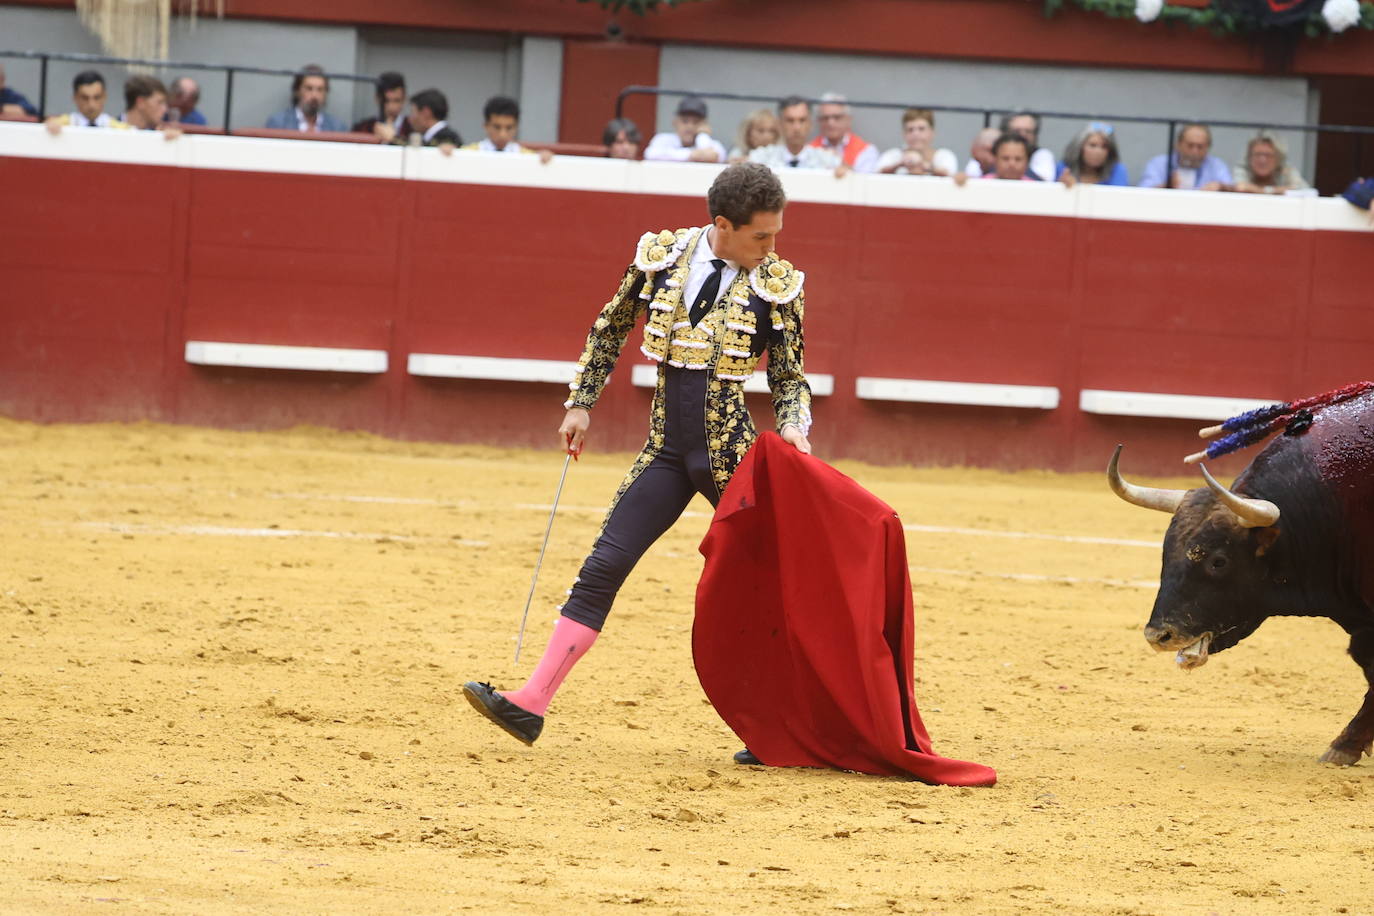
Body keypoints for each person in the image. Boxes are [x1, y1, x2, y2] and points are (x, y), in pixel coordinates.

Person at [462, 162, 812, 751]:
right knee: (604, 564)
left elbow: (790, 376)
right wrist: (581, 402)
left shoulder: (777, 283)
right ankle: (531, 703)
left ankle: (784, 728)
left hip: (734, 460)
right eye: (761, 236)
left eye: (775, 235)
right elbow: (611, 325)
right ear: (722, 225)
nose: (772, 248)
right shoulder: (662, 256)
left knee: (766, 589)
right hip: (666, 454)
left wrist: (795, 428)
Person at [748, 96, 840, 171]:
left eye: (802, 120)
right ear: (779, 124)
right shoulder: (760, 159)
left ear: (810, 124)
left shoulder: (827, 161)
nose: (797, 127)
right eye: (790, 121)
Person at [1138, 123, 1233, 191]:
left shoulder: (1217, 165)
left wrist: (1221, 187)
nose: (1195, 151)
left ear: (1208, 148)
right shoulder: (1159, 163)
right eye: (1190, 145)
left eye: (1200, 147)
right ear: (1178, 145)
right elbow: (1143, 194)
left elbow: (1232, 189)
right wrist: (1167, 185)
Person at [459, 95, 553, 162]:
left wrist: (545, 160)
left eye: (509, 128)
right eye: (497, 127)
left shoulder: (529, 157)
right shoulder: (467, 153)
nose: (502, 134)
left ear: (516, 127)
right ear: (486, 126)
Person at [264, 64, 348, 133]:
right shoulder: (278, 123)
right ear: (297, 91)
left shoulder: (337, 127)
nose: (315, 95)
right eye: (309, 88)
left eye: (320, 89)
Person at [877, 108, 958, 177]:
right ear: (903, 134)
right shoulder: (893, 155)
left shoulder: (944, 156)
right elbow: (875, 176)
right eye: (910, 129)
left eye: (921, 129)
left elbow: (950, 177)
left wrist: (924, 166)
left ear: (932, 132)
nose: (915, 134)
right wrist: (899, 165)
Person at [643, 95, 727, 163]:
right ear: (675, 122)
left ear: (705, 124)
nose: (690, 126)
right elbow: (650, 154)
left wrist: (702, 135)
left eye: (696, 122)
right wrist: (691, 155)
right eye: (685, 121)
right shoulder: (662, 139)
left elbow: (715, 156)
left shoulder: (713, 144)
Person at [810, 92, 878, 173]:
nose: (830, 123)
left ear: (848, 119)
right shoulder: (810, 150)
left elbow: (866, 182)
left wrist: (842, 165)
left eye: (837, 117)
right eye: (825, 118)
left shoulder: (866, 151)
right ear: (819, 121)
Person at [44, 70, 128, 132]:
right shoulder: (61, 124)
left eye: (97, 97)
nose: (91, 104)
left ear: (104, 97)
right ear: (75, 98)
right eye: (85, 98)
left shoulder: (121, 129)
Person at [1233, 132, 1309, 195]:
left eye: (1268, 155)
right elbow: (1240, 187)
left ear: (1278, 158)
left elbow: (1304, 191)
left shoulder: (1286, 170)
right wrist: (1279, 191)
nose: (1262, 160)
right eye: (1257, 154)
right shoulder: (1242, 169)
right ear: (1249, 157)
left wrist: (1264, 190)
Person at [1057, 122, 1129, 187]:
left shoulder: (1117, 171)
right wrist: (1060, 186)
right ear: (1080, 147)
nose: (1098, 151)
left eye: (1104, 147)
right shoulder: (1064, 168)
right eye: (1092, 145)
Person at [953, 133, 1038, 185]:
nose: (1012, 164)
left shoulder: (1038, 189)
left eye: (1018, 159)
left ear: (1027, 161)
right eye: (1005, 158)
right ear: (995, 159)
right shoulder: (980, 184)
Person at [352, 71, 409, 143]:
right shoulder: (363, 128)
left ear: (404, 99)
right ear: (377, 99)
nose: (391, 107)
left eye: (396, 100)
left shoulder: (414, 129)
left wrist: (394, 139)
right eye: (386, 101)